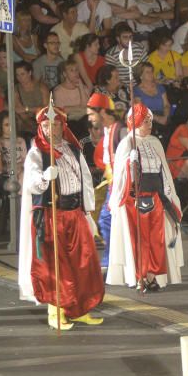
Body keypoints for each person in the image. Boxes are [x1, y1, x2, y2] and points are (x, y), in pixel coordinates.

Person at [17, 105, 104, 330]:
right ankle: (56, 312)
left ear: (61, 125)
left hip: (75, 213)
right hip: (52, 214)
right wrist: (45, 177)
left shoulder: (72, 149)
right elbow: (32, 181)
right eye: (45, 125)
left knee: (83, 263)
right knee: (56, 267)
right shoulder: (37, 152)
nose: (49, 129)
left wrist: (88, 212)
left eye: (54, 124)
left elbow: (84, 179)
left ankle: (79, 309)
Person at [106, 104, 184, 293]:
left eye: (150, 120)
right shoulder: (127, 143)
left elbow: (163, 171)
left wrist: (169, 197)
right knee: (139, 241)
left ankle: (152, 276)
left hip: (156, 198)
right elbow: (121, 176)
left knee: (156, 240)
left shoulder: (155, 142)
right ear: (136, 122)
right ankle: (140, 276)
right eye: (145, 121)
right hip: (135, 200)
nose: (150, 124)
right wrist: (128, 162)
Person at [86, 92, 123, 271]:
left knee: (107, 221)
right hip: (112, 185)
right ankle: (113, 258)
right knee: (105, 221)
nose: (90, 118)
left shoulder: (119, 131)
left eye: (92, 114)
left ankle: (112, 259)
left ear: (102, 111)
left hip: (120, 186)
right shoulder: (108, 131)